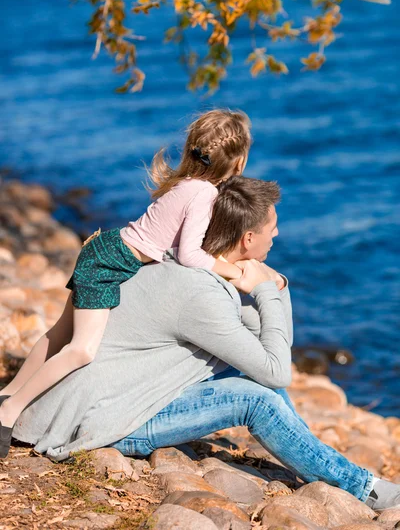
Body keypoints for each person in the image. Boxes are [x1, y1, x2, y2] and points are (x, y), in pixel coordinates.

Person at [11, 176, 400, 510]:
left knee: (258, 376)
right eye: (272, 227)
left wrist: (274, 289)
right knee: (257, 398)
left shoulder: (185, 262)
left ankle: (312, 457)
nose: (277, 234)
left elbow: (259, 340)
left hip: (113, 393)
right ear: (248, 238)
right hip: (103, 419)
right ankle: (361, 488)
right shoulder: (200, 295)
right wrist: (268, 291)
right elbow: (277, 365)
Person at [0, 109, 252, 458]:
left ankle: (9, 392)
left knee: (59, 334)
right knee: (81, 350)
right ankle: (9, 411)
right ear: (238, 163)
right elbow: (190, 256)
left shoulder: (187, 185)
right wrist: (235, 272)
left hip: (106, 250)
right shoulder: (204, 194)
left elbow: (175, 246)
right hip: (109, 263)